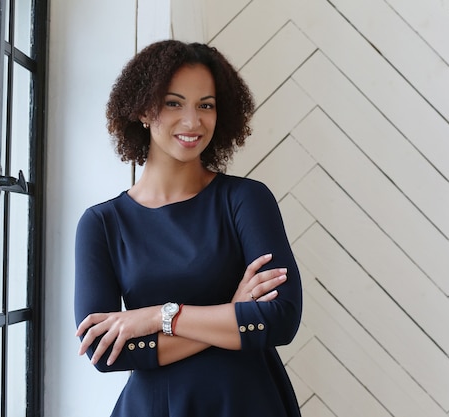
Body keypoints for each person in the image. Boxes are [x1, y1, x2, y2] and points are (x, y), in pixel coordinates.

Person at [74, 40, 303, 417]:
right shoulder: (101, 223)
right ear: (144, 110)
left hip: (247, 403)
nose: (193, 121)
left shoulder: (246, 200)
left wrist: (158, 316)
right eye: (173, 103)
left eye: (206, 105)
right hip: (155, 408)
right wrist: (231, 313)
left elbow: (280, 320)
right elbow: (105, 351)